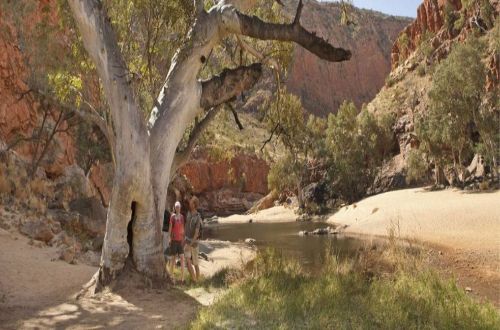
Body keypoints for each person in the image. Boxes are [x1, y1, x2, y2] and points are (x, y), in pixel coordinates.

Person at [185, 196, 203, 282]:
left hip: (194, 243)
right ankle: (194, 280)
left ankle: (198, 280)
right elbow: (186, 227)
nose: (190, 203)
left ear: (194, 204)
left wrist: (190, 244)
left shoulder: (198, 217)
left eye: (191, 202)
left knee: (195, 264)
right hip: (187, 241)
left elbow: (196, 234)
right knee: (188, 261)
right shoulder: (188, 213)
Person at [168, 201, 185, 283]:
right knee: (173, 259)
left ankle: (182, 278)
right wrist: (169, 239)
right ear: (174, 208)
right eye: (176, 207)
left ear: (180, 208)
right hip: (174, 241)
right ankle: (171, 276)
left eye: (178, 207)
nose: (177, 208)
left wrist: (183, 238)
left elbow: (182, 228)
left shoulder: (182, 217)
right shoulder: (172, 217)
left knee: (182, 258)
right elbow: (170, 229)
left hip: (180, 241)